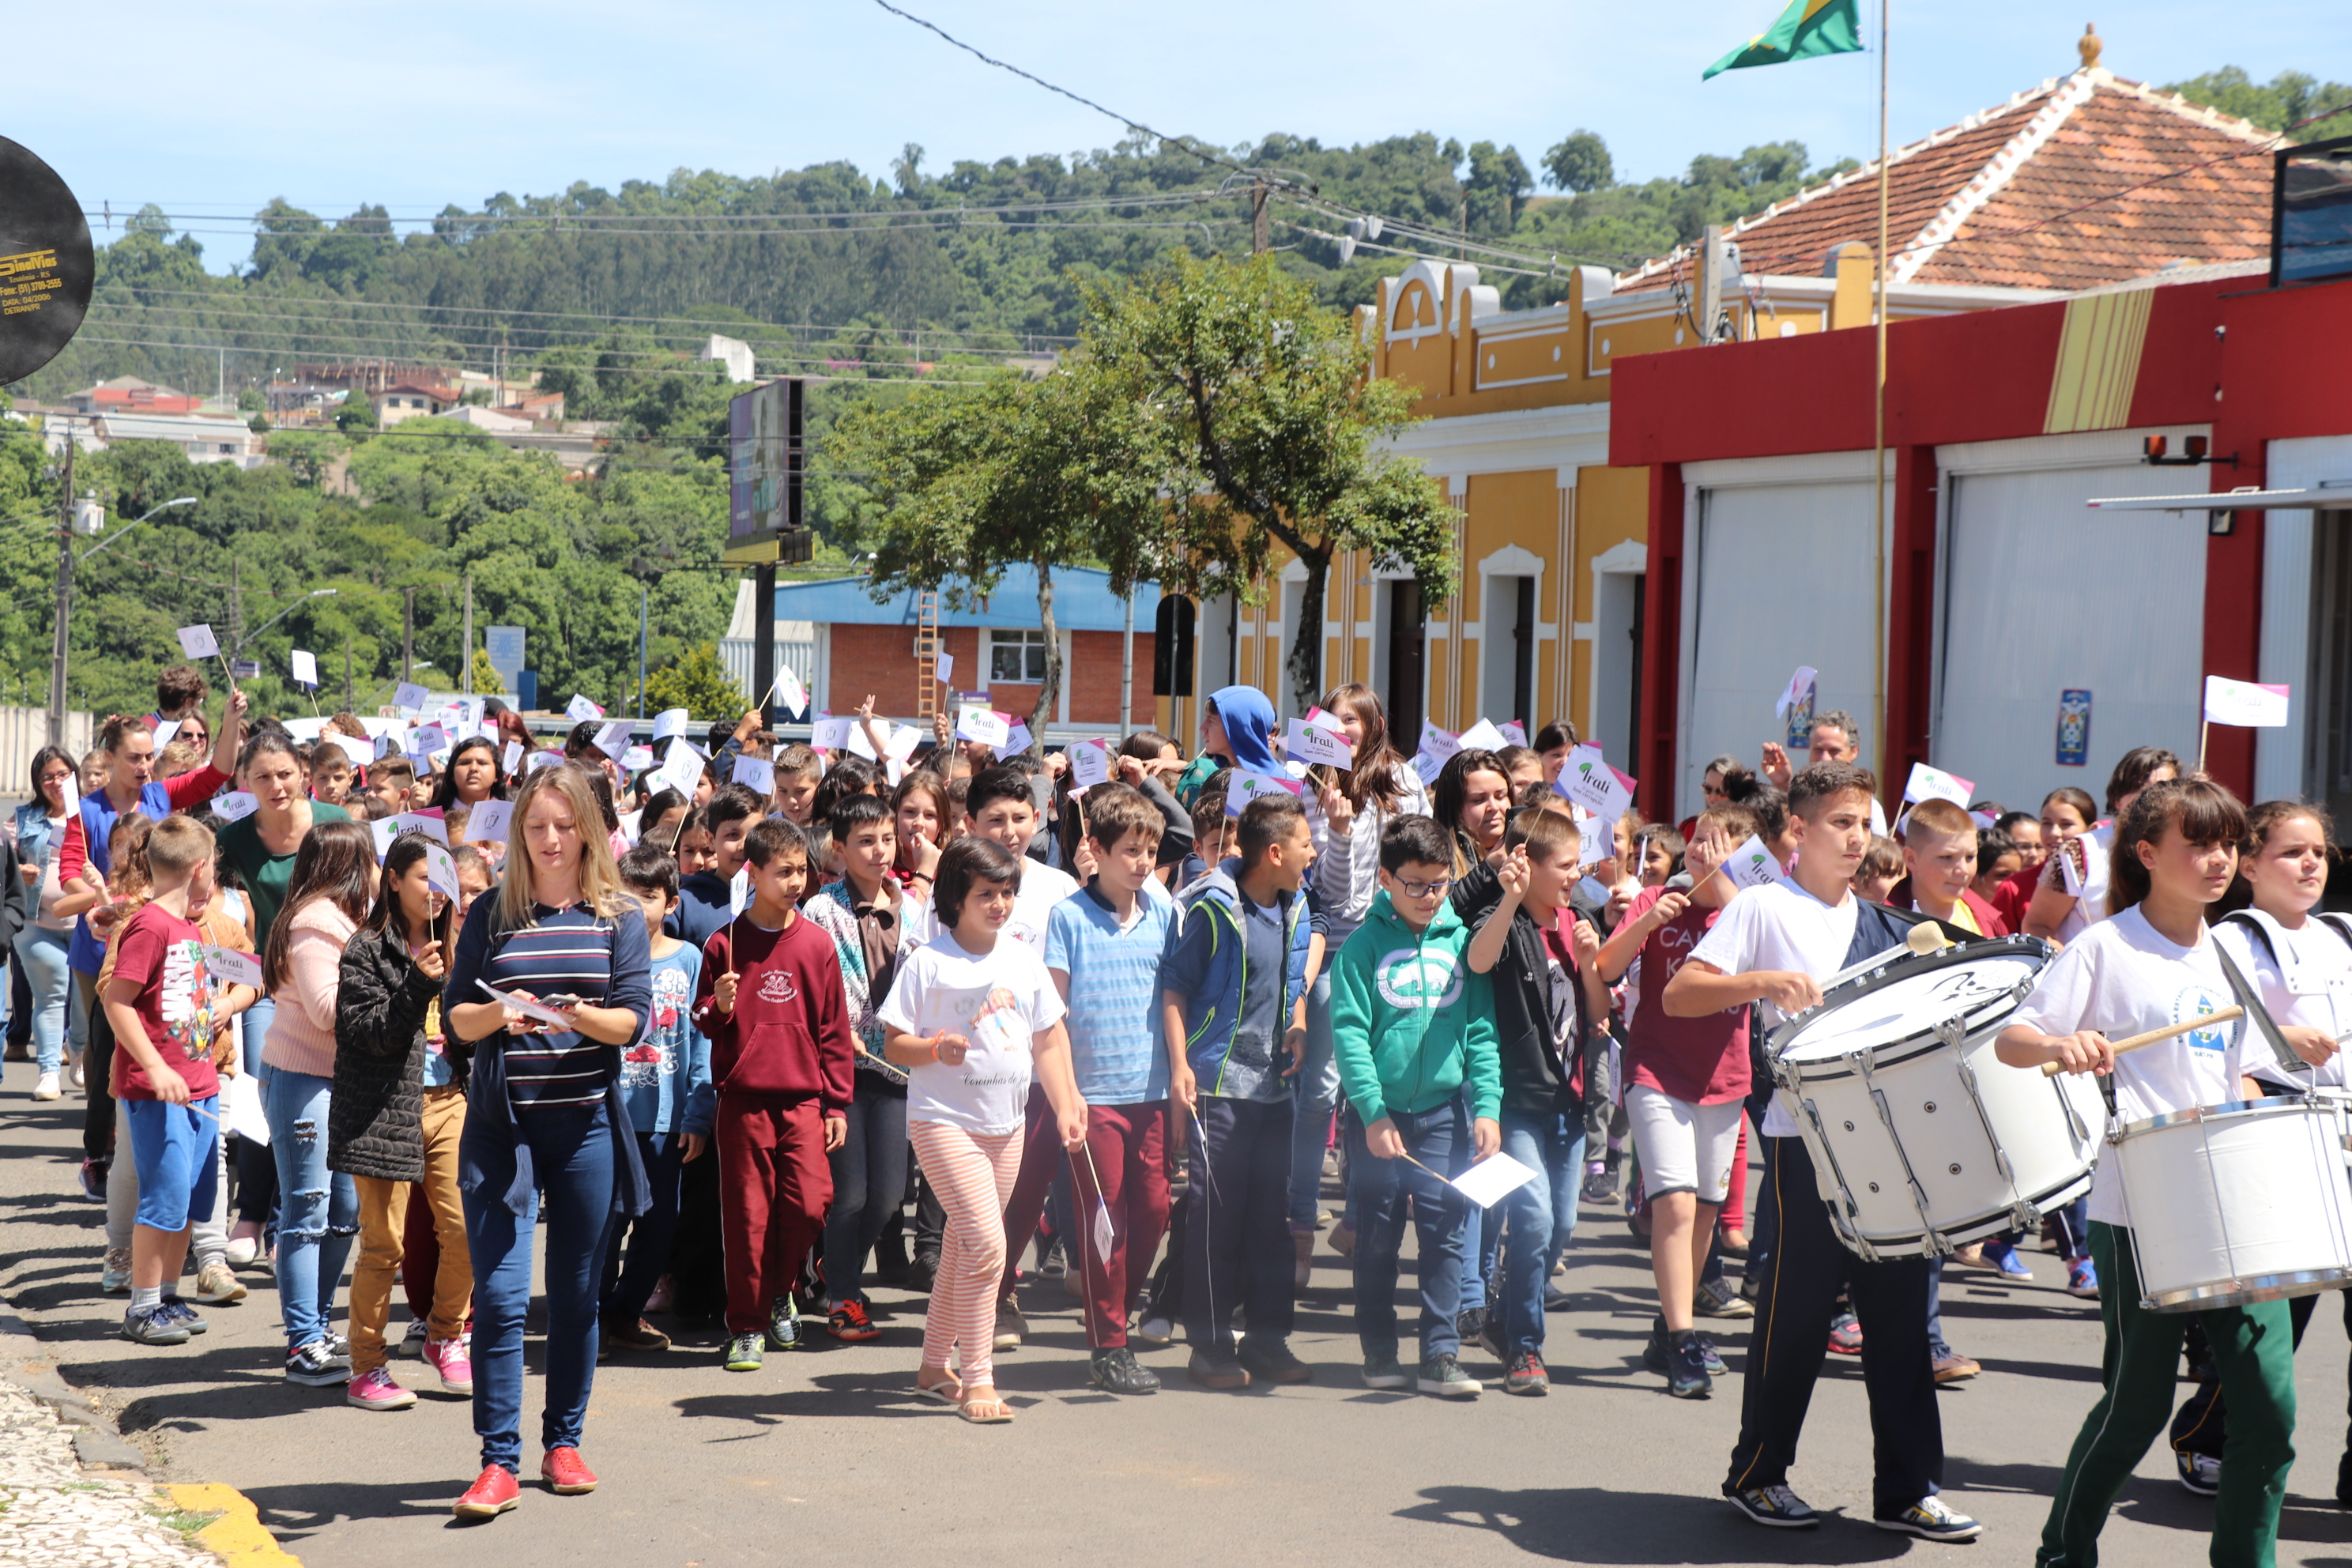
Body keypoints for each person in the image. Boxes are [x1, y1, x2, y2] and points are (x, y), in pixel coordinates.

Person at [1998, 778, 2315, 1567]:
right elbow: (2013, 1038)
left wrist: (2265, 1085)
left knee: (2269, 1413)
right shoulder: (2106, 946)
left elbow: (2245, 1073)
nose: (2219, 859)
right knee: (2133, 1410)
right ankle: (2064, 1553)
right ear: (2145, 853)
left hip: (2237, 1204)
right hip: (2140, 1207)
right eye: (2198, 844)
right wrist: (2060, 1044)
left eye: (2229, 844)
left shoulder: (2235, 950)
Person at [1668, 760, 1979, 1541]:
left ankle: (1908, 1490)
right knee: (1796, 1317)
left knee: (1900, 1320)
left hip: (1892, 1149)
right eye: (1841, 822)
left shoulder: (1888, 924)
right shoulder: (1763, 906)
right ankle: (1758, 1474)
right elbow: (1681, 993)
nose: (1857, 837)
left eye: (1864, 823)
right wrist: (1760, 982)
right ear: (1797, 831)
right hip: (1804, 1141)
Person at [442, 763, 651, 1521]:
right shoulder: (491, 914)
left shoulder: (618, 916)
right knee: (500, 1301)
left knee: (574, 1297)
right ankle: (497, 1463)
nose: (551, 839)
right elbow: (457, 1018)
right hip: (501, 1131)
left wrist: (577, 1015)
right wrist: (501, 1014)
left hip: (585, 1127)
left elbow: (634, 1019)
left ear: (588, 831)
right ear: (518, 831)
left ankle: (563, 1443)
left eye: (565, 825)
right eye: (536, 826)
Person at [2168, 800, 2351, 1501]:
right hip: (2286, 1131)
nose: (2310, 864)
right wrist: (2278, 1038)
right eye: (2291, 852)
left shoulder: (2343, 933)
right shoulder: (2229, 941)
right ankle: (2206, 1435)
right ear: (2249, 865)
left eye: (2319, 852)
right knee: (2277, 1316)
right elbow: (2203, 1034)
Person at [877, 838, 1086, 1426]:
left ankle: (931, 1368)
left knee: (965, 1248)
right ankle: (978, 1379)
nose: (1000, 904)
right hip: (942, 1122)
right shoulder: (928, 961)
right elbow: (892, 1043)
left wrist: (1068, 1102)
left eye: (1007, 892)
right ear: (955, 898)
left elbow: (1049, 1038)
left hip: (1007, 1125)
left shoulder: (1023, 959)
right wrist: (934, 1048)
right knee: (990, 1248)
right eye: (986, 894)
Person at [904, 767, 1077, 1348]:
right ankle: (978, 1354)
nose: (1010, 830)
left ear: (1038, 819)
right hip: (950, 1101)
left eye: (1020, 818)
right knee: (981, 1233)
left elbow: (1050, 1024)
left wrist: (1068, 1096)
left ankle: (941, 1354)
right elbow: (909, 1017)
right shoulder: (941, 918)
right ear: (970, 824)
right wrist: (937, 1046)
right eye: (995, 819)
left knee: (1001, 1214)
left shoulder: (1057, 893)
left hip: (1025, 1089)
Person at [1330, 813, 1500, 1398]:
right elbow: (1350, 1036)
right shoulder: (1362, 947)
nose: (1430, 897)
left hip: (1443, 1115)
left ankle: (1440, 1355)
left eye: (1440, 884)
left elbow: (1481, 1032)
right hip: (1378, 1120)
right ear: (1385, 879)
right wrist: (1372, 1112)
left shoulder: (1462, 943)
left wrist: (1488, 1107)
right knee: (1378, 1235)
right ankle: (1380, 1350)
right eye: (1416, 885)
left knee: (1445, 1234)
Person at [1161, 792, 1319, 1390]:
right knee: (1216, 1223)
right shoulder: (1214, 908)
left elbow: (1291, 981)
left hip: (1274, 1091)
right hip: (1219, 1089)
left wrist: (1297, 1023)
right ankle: (1209, 1347)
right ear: (1275, 853)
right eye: (1305, 843)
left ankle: (1268, 1340)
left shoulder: (1296, 904)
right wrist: (1181, 1068)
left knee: (1271, 1224)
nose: (1312, 853)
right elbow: (1174, 989)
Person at [688, 817, 854, 1371]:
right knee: (747, 1218)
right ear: (753, 874)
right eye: (783, 872)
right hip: (742, 1101)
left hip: (803, 1099)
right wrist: (719, 1005)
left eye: (801, 870)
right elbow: (702, 1020)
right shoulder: (724, 943)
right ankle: (747, 1326)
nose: (795, 882)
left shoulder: (817, 943)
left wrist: (836, 1102)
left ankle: (780, 1289)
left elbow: (833, 1029)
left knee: (810, 1204)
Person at [1596, 807, 1750, 1398]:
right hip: (1655, 1071)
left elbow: (1767, 960)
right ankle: (1685, 1340)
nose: (1701, 852)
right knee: (1677, 1206)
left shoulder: (1750, 910)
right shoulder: (1658, 899)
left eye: (1717, 844)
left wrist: (1727, 884)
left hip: (1724, 1077)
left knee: (1706, 1210)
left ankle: (1668, 1326)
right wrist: (1645, 920)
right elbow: (1606, 967)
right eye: (1697, 841)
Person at [61, 705, 243, 1196]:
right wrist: (103, 902)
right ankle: (101, 1151)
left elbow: (218, 773)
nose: (144, 767)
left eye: (148, 757)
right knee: (107, 1050)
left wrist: (230, 720)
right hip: (102, 947)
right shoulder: (87, 810)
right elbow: (70, 873)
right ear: (110, 759)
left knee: (166, 1035)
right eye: (134, 758)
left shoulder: (162, 794)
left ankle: (148, 1145)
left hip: (169, 943)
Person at [1457, 806, 1604, 1395]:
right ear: (1530, 866)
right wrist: (1510, 898)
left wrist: (1591, 965)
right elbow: (1478, 959)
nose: (1576, 875)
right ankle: (1525, 1347)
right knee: (1535, 1218)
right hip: (1517, 1103)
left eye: (1577, 864)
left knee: (1559, 1224)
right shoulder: (1507, 920)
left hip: (1571, 1106)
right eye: (1565, 866)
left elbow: (1599, 1011)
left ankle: (1501, 1317)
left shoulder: (1581, 920)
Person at [331, 831, 473, 1410]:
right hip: (385, 1110)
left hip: (451, 1102)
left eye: (444, 882)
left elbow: (467, 1031)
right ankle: (367, 1366)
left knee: (465, 1231)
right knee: (384, 1247)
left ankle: (445, 1335)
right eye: (423, 878)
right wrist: (418, 980)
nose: (436, 892)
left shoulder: (459, 945)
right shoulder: (365, 950)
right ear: (393, 880)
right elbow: (369, 1034)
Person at [1042, 782, 1177, 1395]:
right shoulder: (1068, 917)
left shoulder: (1164, 913)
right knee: (1105, 1223)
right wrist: (1067, 1095)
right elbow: (1054, 1016)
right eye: (1130, 851)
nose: (1143, 862)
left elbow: (1174, 999)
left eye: (1150, 851)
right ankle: (1109, 1345)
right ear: (1095, 850)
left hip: (1152, 1094)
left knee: (1154, 1211)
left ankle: (1117, 1309)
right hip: (1093, 1098)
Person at [1300, 683, 1428, 1280]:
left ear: (1373, 725)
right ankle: (1299, 1222)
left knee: (1376, 1090)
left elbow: (1422, 862)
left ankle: (1358, 1216)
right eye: (1333, 718)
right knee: (1321, 1090)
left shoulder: (1402, 782)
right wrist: (1340, 832)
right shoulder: (1309, 784)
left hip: (1391, 949)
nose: (1342, 728)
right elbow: (1336, 897)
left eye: (1353, 719)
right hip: (1331, 953)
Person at [258, 817, 376, 1388]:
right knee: (307, 1211)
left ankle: (319, 1327)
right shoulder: (313, 922)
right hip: (301, 1079)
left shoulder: (354, 917)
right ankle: (302, 1340)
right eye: (370, 861)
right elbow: (327, 1012)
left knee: (345, 1212)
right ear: (350, 866)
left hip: (343, 1082)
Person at [100, 815, 225, 1347]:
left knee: (192, 1199)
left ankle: (169, 1297)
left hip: (200, 1086)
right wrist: (154, 1066)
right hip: (159, 1092)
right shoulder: (150, 925)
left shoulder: (190, 925)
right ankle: (143, 1305)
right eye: (214, 865)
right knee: (164, 1197)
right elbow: (117, 1001)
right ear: (200, 868)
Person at [801, 797, 909, 1344]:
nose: (879, 851)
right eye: (865, 841)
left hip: (897, 1068)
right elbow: (811, 987)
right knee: (850, 1194)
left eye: (887, 839)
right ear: (839, 849)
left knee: (888, 1196)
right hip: (841, 1070)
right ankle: (844, 1294)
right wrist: (836, 1032)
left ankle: (835, 1265)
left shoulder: (913, 908)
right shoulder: (821, 910)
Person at [599, 846, 707, 1355]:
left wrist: (699, 1114)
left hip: (667, 1121)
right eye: (624, 896)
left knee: (659, 1225)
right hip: (608, 1118)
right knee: (605, 1225)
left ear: (671, 903)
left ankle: (624, 1313)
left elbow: (703, 1040)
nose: (634, 906)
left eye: (647, 896)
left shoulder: (689, 959)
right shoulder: (603, 953)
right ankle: (591, 1318)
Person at [2023, 748, 2179, 945]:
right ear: (2117, 799)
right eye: (2143, 790)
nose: (2156, 800)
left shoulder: (2188, 850)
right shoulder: (2077, 853)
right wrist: (2070, 962)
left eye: (2166, 790)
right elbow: (2037, 925)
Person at [15, 747, 81, 1100]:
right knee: (50, 996)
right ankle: (49, 1072)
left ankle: (79, 1052)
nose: (56, 782)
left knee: (85, 1002)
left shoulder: (91, 814)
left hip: (87, 924)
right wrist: (16, 871)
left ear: (75, 775)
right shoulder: (24, 818)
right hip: (36, 923)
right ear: (37, 783)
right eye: (47, 777)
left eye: (62, 774)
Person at [670, 786, 762, 949]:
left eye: (753, 834)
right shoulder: (682, 904)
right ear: (711, 840)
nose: (743, 846)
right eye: (732, 835)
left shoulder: (775, 897)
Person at [1897, 799, 2006, 936]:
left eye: (1970, 857)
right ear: (1911, 859)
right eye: (1947, 857)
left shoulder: (1990, 922)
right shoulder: (1882, 927)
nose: (1963, 870)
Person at [1433, 748, 1513, 877]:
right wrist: (1488, 870)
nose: (1494, 807)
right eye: (1479, 800)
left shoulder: (1532, 849)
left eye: (1500, 796)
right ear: (1454, 806)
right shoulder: (1437, 861)